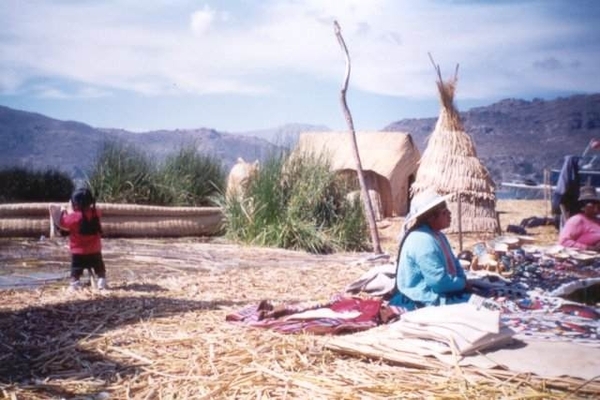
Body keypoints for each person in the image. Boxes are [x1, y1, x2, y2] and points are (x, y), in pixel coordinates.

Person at [388, 190, 470, 310]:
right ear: (431, 217)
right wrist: (462, 284)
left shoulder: (438, 236)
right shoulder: (422, 240)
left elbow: (454, 262)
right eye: (444, 212)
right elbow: (438, 282)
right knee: (478, 307)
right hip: (422, 297)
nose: (449, 214)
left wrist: (462, 280)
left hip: (442, 289)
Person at [58, 187, 108, 290]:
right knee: (99, 268)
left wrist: (64, 211)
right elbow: (92, 213)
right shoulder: (96, 213)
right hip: (95, 250)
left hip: (78, 251)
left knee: (76, 270)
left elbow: (63, 222)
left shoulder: (75, 217)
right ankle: (101, 281)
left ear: (75, 204)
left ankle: (75, 284)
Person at [558, 185, 600, 251]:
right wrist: (589, 248)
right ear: (583, 206)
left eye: (596, 203)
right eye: (592, 203)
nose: (596, 206)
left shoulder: (597, 220)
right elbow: (564, 242)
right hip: (585, 258)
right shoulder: (577, 220)